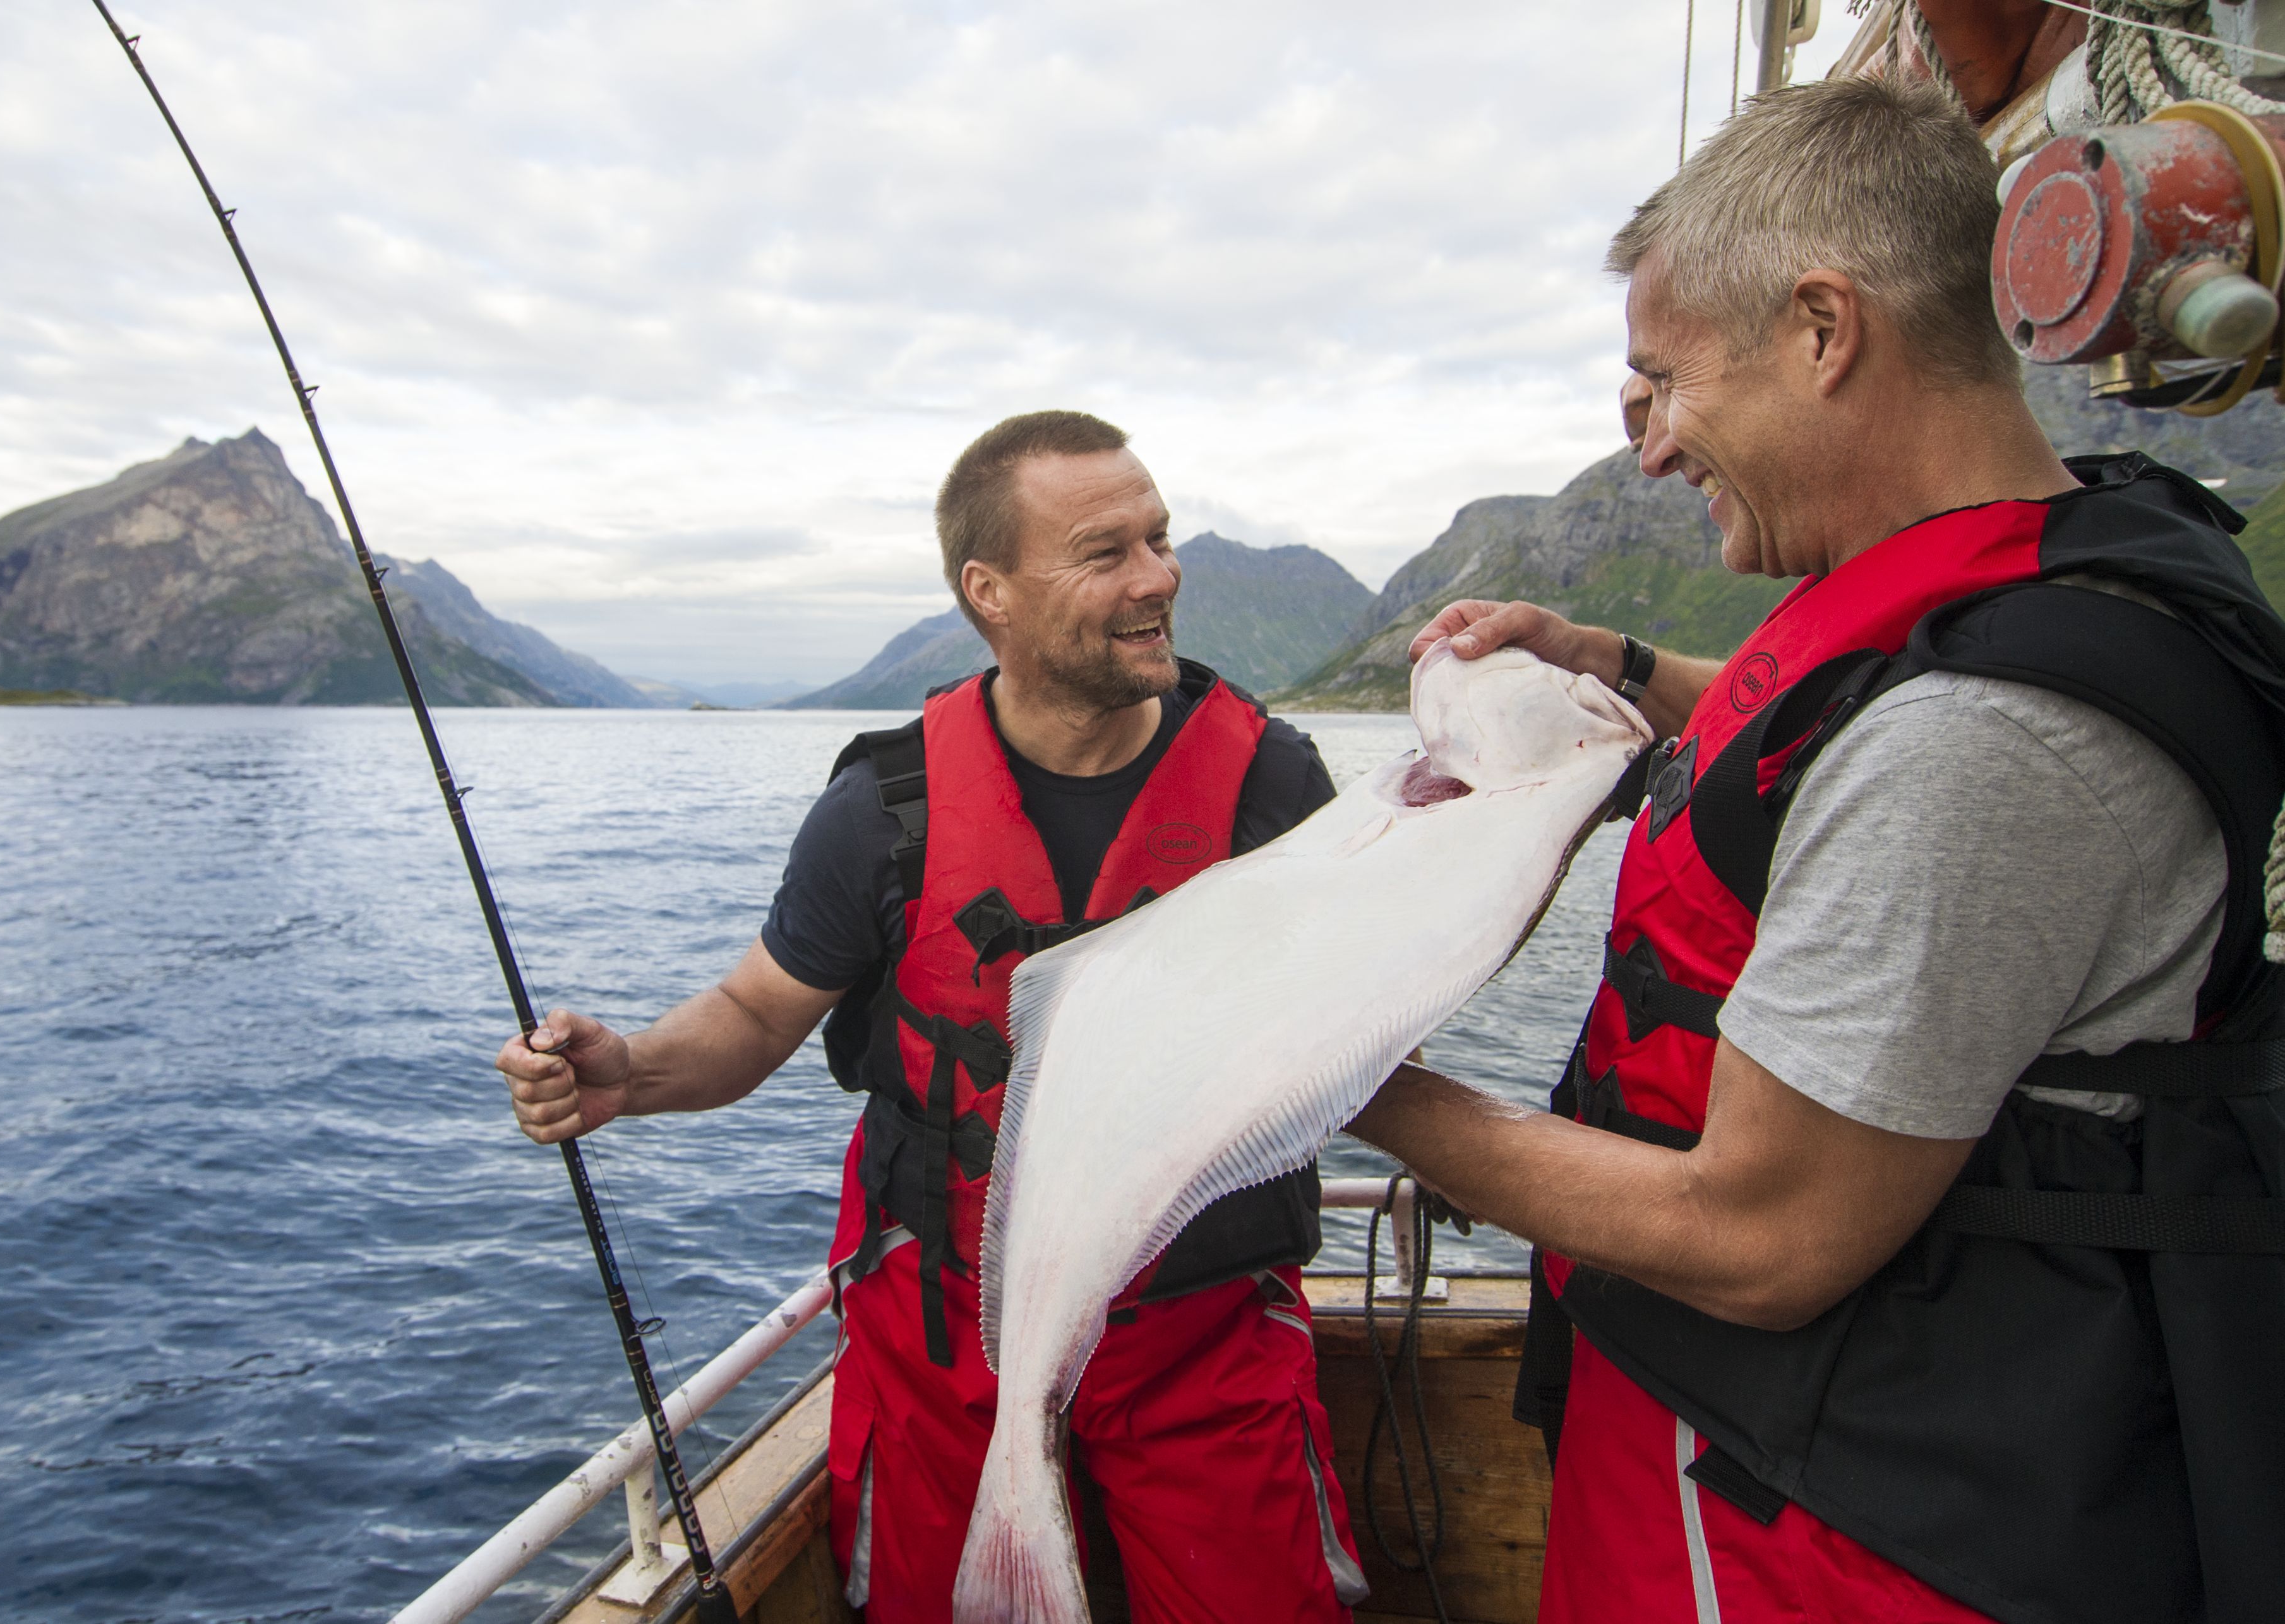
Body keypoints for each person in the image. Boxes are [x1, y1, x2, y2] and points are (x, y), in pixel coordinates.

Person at [1347, 78, 2285, 1624]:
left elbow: (1761, 1232)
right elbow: (1832, 740)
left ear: (1824, 328)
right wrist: (1613, 658)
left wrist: (1344, 1080)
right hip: (1747, 1446)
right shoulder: (2017, 601)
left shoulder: (1985, 739)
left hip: (1833, 1521)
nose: (1653, 450)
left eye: (1665, 382)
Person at [495, 410, 1367, 1623]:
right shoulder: (882, 812)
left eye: (1160, 540)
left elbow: (1364, 1031)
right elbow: (755, 1013)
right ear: (990, 591)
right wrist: (628, 1074)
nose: (1160, 577)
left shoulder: (1273, 785)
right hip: (946, 1333)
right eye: (1106, 551)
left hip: (1197, 1335)